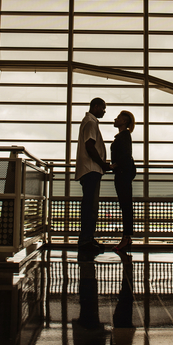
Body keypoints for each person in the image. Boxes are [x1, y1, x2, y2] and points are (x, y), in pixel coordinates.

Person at [75, 97, 110, 254]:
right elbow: (90, 145)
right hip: (91, 169)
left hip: (89, 169)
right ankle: (86, 240)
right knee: (91, 207)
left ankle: (87, 237)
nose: (104, 111)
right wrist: (102, 164)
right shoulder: (90, 122)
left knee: (89, 206)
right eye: (103, 108)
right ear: (95, 107)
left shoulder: (89, 121)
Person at [110, 110, 136, 252]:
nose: (115, 119)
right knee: (125, 205)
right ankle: (127, 237)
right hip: (122, 173)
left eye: (118, 117)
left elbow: (126, 155)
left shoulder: (124, 136)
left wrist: (115, 165)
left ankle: (126, 238)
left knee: (125, 206)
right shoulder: (123, 136)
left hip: (122, 174)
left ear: (124, 121)